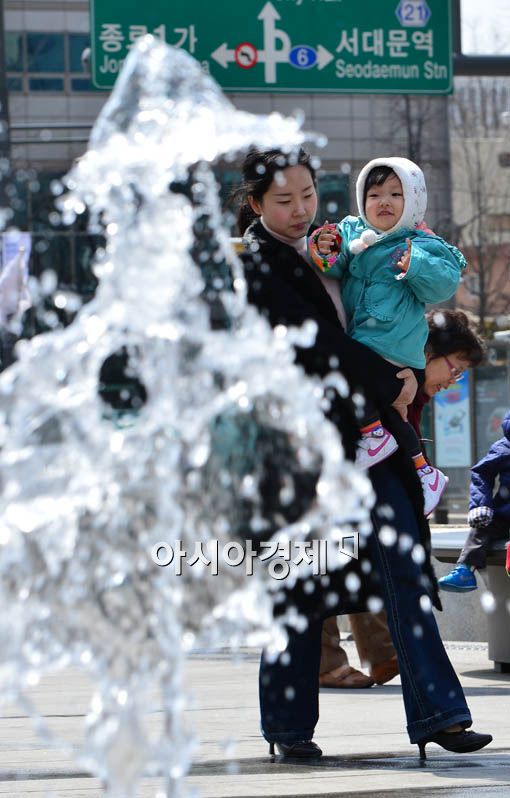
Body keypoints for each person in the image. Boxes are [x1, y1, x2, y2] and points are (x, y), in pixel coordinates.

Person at [234, 146, 492, 761]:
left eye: (306, 196)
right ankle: (289, 727)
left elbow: (388, 310)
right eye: (283, 202)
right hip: (300, 450)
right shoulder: (259, 266)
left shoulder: (340, 242)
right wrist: (391, 381)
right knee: (297, 585)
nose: (299, 211)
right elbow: (318, 345)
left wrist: (408, 367)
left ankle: (440, 715)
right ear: (255, 204)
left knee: (406, 565)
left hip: (372, 444)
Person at [320, 308, 486, 687]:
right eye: (455, 368)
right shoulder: (393, 375)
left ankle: (383, 654)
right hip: (334, 474)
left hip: (365, 481)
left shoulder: (415, 391)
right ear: (428, 353)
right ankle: (326, 661)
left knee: (371, 554)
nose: (454, 380)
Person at [308, 157, 467, 517]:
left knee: (354, 387)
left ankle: (375, 436)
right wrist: (323, 247)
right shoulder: (352, 232)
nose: (384, 201)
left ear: (412, 202)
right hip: (366, 341)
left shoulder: (419, 242)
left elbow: (443, 282)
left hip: (393, 343)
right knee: (393, 415)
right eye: (374, 193)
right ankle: (424, 472)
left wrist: (415, 262)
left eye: (396, 194)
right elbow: (330, 265)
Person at [439, 410, 510, 593]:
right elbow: (481, 473)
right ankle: (465, 570)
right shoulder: (504, 447)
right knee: (480, 529)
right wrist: (481, 505)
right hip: (504, 514)